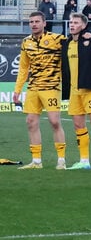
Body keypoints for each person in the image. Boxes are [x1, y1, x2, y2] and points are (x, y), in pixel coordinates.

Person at [14, 12, 68, 169]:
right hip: (33, 88)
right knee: (31, 122)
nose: (34, 24)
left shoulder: (57, 39)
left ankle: (61, 160)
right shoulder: (26, 42)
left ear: (45, 23)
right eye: (31, 22)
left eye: (37, 21)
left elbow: (74, 45)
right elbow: (23, 68)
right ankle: (36, 161)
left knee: (54, 121)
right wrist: (18, 89)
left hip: (51, 87)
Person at [61, 13, 91, 170]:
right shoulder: (67, 43)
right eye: (71, 22)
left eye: (75, 22)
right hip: (75, 91)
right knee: (78, 125)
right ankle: (84, 161)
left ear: (83, 25)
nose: (72, 25)